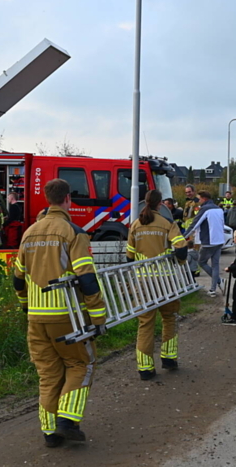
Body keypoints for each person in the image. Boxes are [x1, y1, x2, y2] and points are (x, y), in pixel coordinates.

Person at [13, 178, 108, 447]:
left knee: (48, 374)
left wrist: (25, 305)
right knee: (81, 364)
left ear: (47, 199)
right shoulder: (73, 232)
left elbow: (18, 279)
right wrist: (98, 317)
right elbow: (86, 277)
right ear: (68, 199)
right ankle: (67, 420)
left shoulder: (29, 233)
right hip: (67, 317)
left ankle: (50, 433)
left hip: (36, 318)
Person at [127, 189, 189, 380]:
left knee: (145, 324)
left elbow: (129, 256)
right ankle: (169, 359)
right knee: (169, 318)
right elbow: (181, 249)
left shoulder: (135, 225)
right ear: (160, 204)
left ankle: (145, 369)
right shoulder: (167, 223)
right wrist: (179, 263)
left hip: (143, 283)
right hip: (166, 281)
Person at [183, 191, 226, 296]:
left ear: (204, 198)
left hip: (208, 241)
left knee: (201, 262)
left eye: (199, 199)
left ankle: (218, 281)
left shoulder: (205, 209)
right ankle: (213, 289)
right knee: (215, 265)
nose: (198, 201)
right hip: (219, 240)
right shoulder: (218, 209)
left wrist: (182, 237)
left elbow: (194, 224)